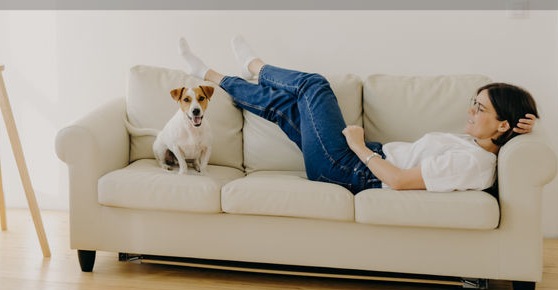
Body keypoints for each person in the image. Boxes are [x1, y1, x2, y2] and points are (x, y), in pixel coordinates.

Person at [178, 35, 539, 193]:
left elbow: (397, 182)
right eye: (473, 103)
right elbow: (506, 131)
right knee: (283, 107)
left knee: (313, 85)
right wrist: (525, 127)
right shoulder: (478, 145)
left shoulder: (472, 164)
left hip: (351, 168)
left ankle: (255, 66)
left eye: (480, 108)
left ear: (501, 123)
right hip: (355, 163)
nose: (470, 111)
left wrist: (359, 145)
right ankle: (211, 75)